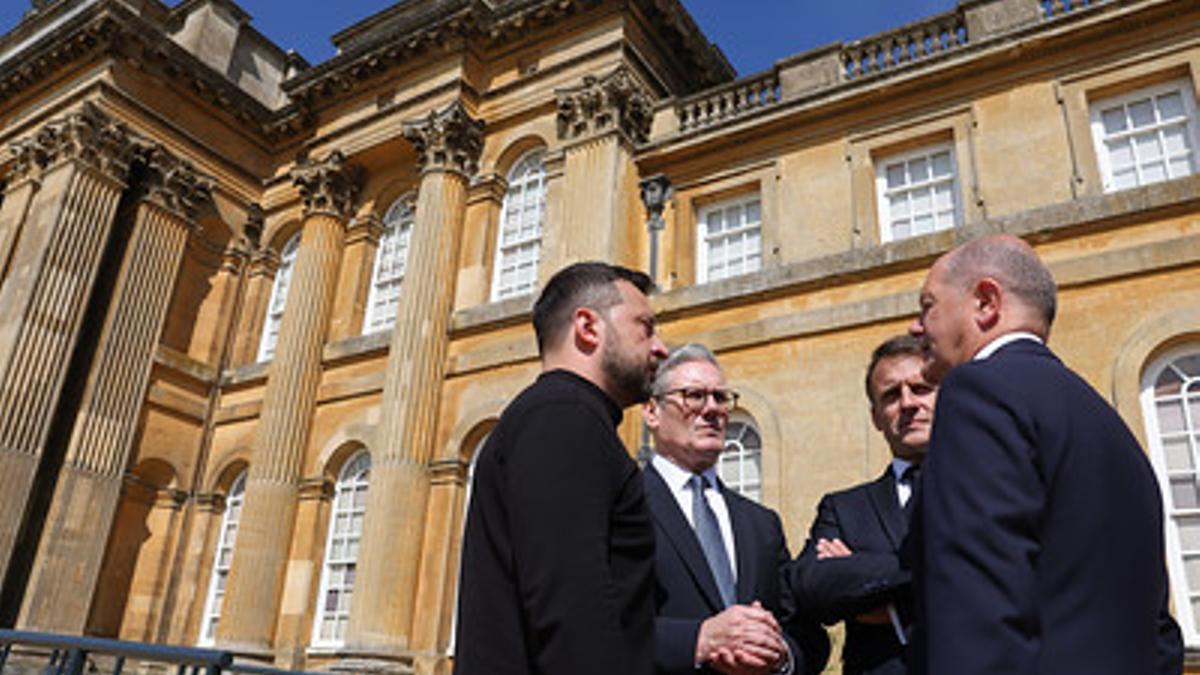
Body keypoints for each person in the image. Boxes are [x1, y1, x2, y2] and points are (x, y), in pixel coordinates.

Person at [906, 233, 1183, 674]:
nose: (916, 327)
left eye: (927, 306)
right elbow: (1157, 627)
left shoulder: (978, 391)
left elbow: (979, 603)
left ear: (985, 302)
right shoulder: (1109, 426)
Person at [454, 261, 669, 675]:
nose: (660, 347)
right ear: (588, 327)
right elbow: (572, 610)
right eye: (646, 326)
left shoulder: (565, 417)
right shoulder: (564, 417)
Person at [642, 343, 829, 675]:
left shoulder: (760, 523)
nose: (712, 409)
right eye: (693, 396)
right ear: (652, 412)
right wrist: (698, 641)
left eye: (720, 397)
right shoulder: (623, 505)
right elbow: (598, 625)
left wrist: (780, 655)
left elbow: (805, 632)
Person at [791, 335, 935, 674]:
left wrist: (865, 577)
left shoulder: (984, 484)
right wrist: (933, 577)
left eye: (921, 388)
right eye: (891, 395)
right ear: (876, 417)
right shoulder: (844, 507)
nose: (908, 402)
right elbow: (809, 588)